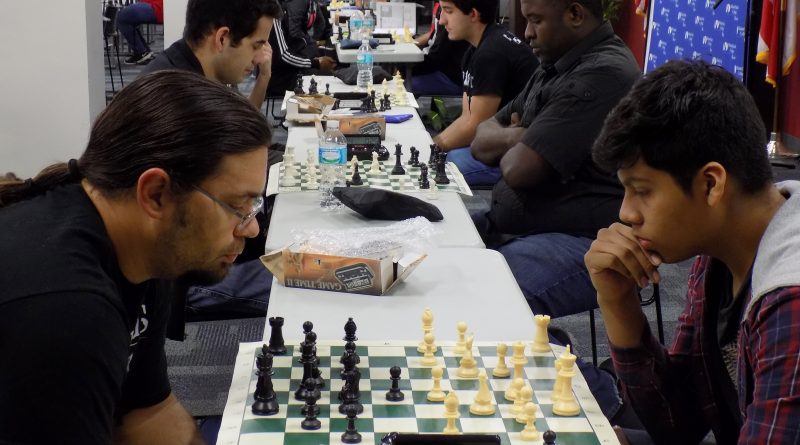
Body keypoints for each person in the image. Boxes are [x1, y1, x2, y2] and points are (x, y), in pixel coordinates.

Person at [0, 70, 272, 444]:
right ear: (157, 193)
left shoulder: (148, 254)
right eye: (238, 206)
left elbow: (148, 412)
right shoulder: (65, 310)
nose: (252, 229)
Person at [586, 60, 800, 444]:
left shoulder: (791, 299)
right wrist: (617, 300)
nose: (625, 213)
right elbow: (679, 423)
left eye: (642, 190)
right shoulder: (719, 249)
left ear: (711, 184)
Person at [469, 0, 640, 317]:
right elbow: (480, 138)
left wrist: (519, 136)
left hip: (588, 240)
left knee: (481, 301)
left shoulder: (604, 74)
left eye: (536, 21)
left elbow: (517, 169)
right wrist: (526, 135)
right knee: (433, 251)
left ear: (575, 14)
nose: (528, 34)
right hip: (524, 224)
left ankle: (550, 360)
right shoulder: (555, 66)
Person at [432, 0, 538, 158]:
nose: (441, 20)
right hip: (501, 140)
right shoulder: (475, 50)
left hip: (521, 153)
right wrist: (435, 144)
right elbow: (467, 118)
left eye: (448, 11)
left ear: (473, 14)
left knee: (448, 161)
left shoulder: (491, 53)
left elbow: (475, 126)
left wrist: (430, 149)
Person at [141, 0, 281, 109]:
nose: (260, 58)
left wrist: (264, 76)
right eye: (256, 46)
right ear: (222, 38)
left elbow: (240, 126)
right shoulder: (177, 103)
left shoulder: (206, 67)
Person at [266, 0, 337, 97]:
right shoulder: (274, 17)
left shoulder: (282, 9)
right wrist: (315, 63)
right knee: (330, 79)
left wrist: (312, 58)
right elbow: (284, 56)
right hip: (281, 78)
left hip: (289, 70)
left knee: (331, 75)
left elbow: (321, 24)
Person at [411, 0, 471, 96]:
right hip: (446, 70)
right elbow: (432, 35)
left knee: (403, 84)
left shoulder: (451, 14)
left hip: (451, 77)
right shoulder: (442, 6)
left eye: (448, 11)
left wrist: (405, 69)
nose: (442, 21)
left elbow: (435, 59)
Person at [117, 0, 163, 64]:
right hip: (155, 4)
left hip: (159, 7)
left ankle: (141, 52)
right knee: (126, 15)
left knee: (122, 16)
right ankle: (144, 51)